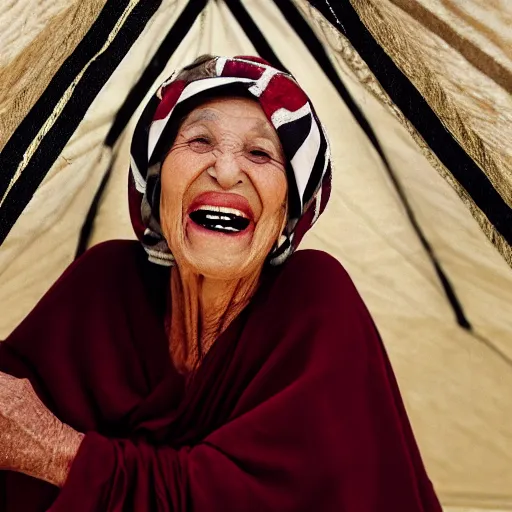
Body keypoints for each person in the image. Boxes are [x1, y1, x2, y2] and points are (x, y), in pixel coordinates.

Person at [0, 55, 442, 511]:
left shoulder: (315, 300)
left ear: (289, 209)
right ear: (155, 181)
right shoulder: (104, 284)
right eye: (199, 140)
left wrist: (55, 451)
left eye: (260, 152)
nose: (226, 171)